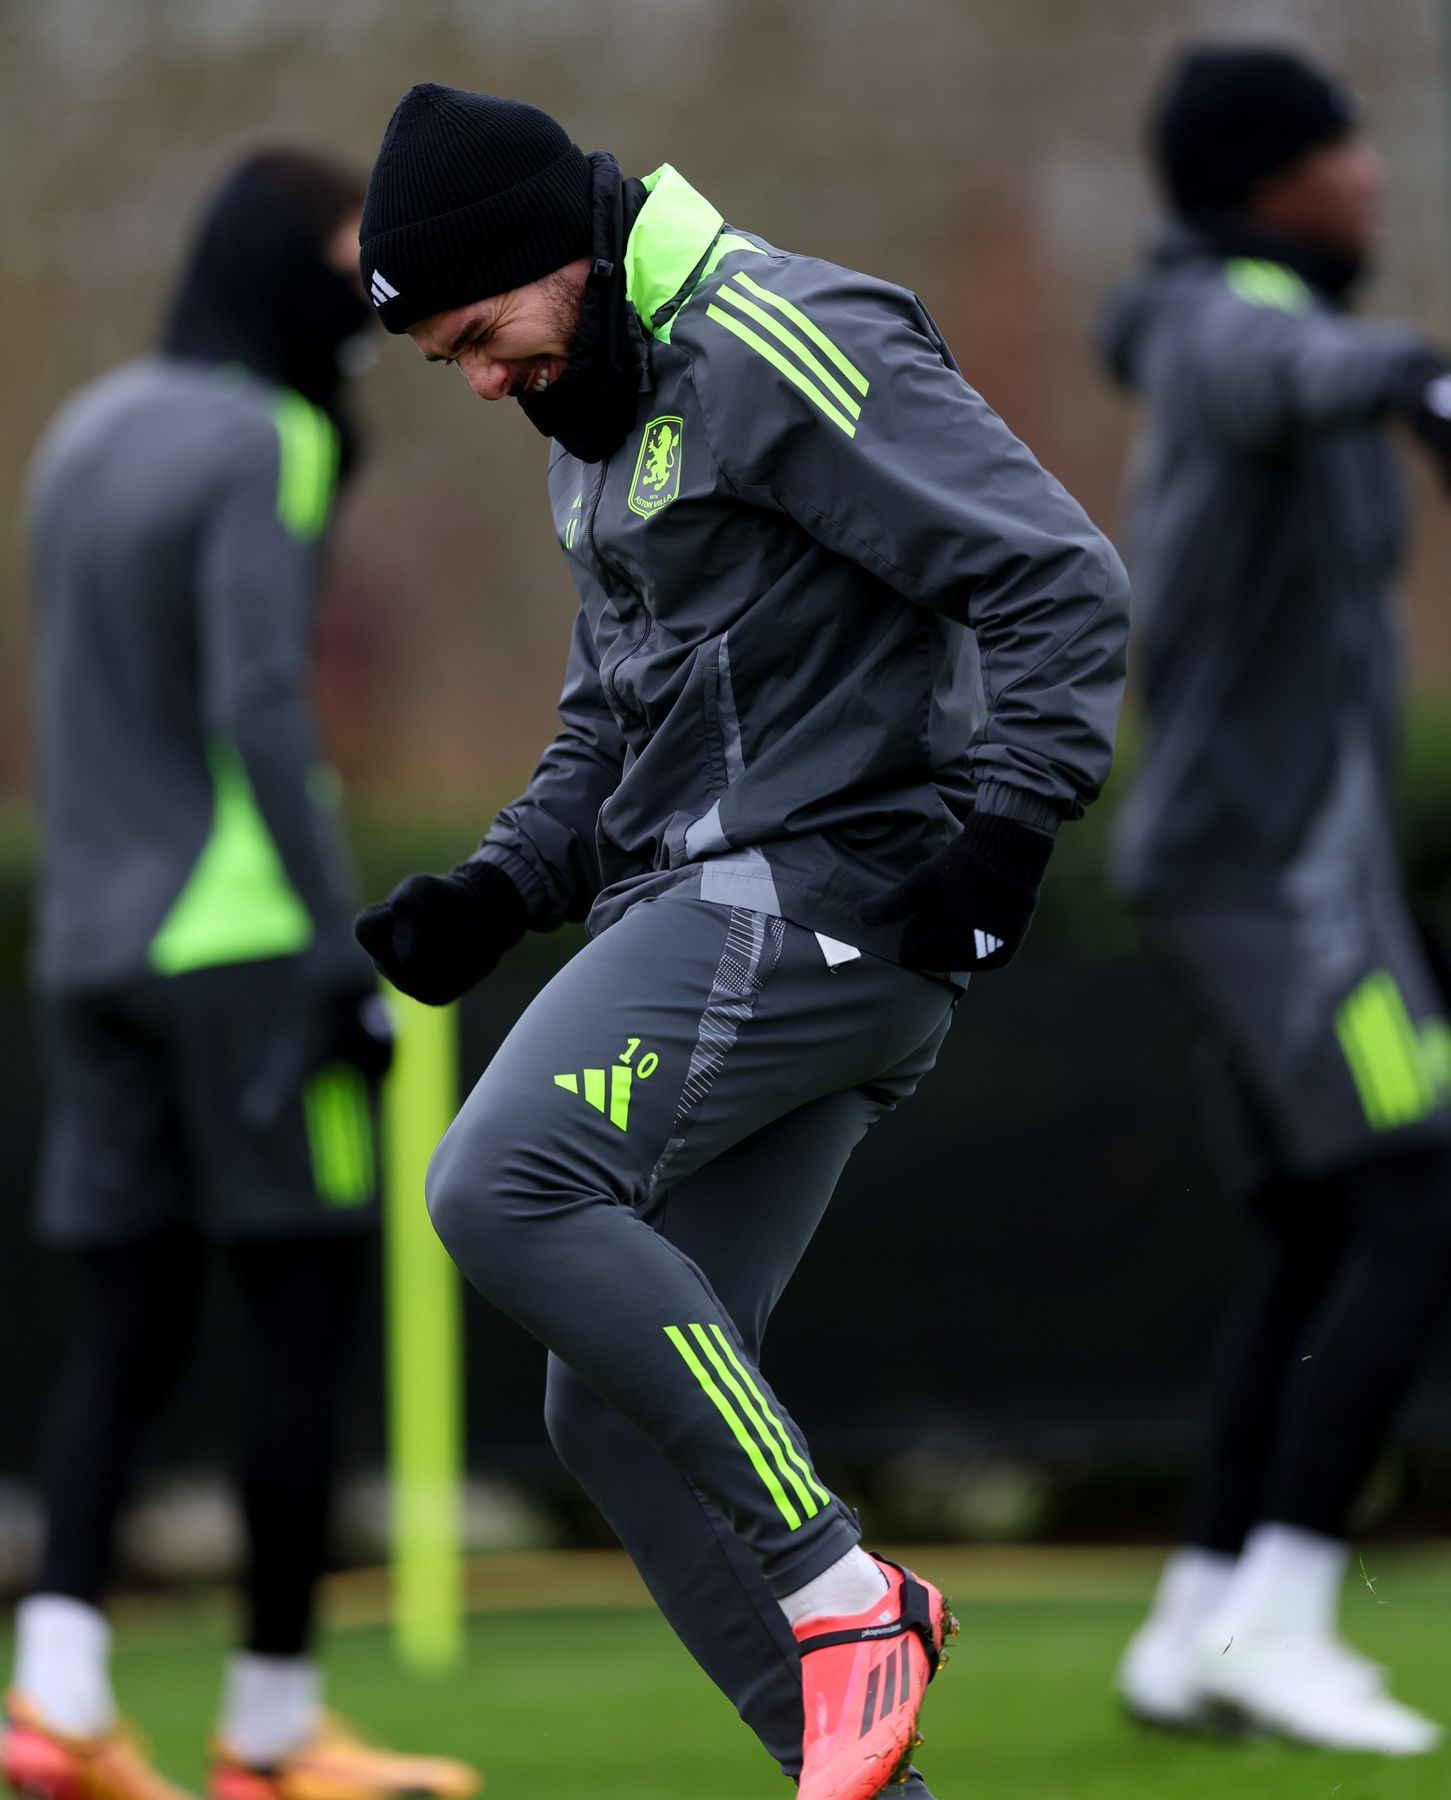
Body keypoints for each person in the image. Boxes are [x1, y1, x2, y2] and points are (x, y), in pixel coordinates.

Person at [352, 84, 1128, 1800]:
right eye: (448, 366)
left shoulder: (777, 337)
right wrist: (495, 887)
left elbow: (1060, 579)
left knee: (500, 1183)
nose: (482, 381)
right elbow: (611, 729)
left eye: (485, 335)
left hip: (833, 900)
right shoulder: (601, 417)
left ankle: (847, 1590)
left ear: (557, 255)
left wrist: (1014, 828)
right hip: (718, 914)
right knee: (601, 1412)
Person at [5, 150, 479, 1800]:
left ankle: (53, 1700)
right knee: (300, 1317)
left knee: (123, 1327)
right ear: (283, 265)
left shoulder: (84, 428)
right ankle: (271, 1734)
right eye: (352, 256)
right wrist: (344, 946)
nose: (375, 293)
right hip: (241, 949)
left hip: (85, 951)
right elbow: (259, 707)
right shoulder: (263, 437)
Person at [1103, 43, 1451, 1755]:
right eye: (1341, 148)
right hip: (1278, 887)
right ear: (1262, 180)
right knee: (1420, 1198)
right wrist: (1423, 376)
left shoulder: (1228, 321)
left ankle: (1193, 1629)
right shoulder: (1221, 316)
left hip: (1267, 872)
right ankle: (1293, 1617)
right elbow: (1276, 364)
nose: (1371, 174)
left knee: (1324, 1232)